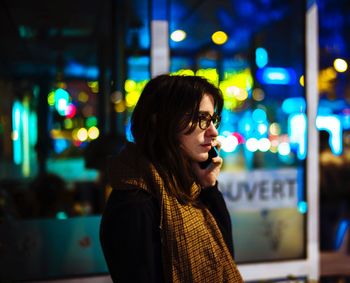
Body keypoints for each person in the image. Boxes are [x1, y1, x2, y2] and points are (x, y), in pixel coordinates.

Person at [99, 74, 243, 282]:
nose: (213, 132)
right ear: (162, 123)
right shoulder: (135, 204)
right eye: (201, 119)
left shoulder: (188, 190)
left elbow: (224, 258)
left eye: (212, 120)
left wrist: (209, 187)